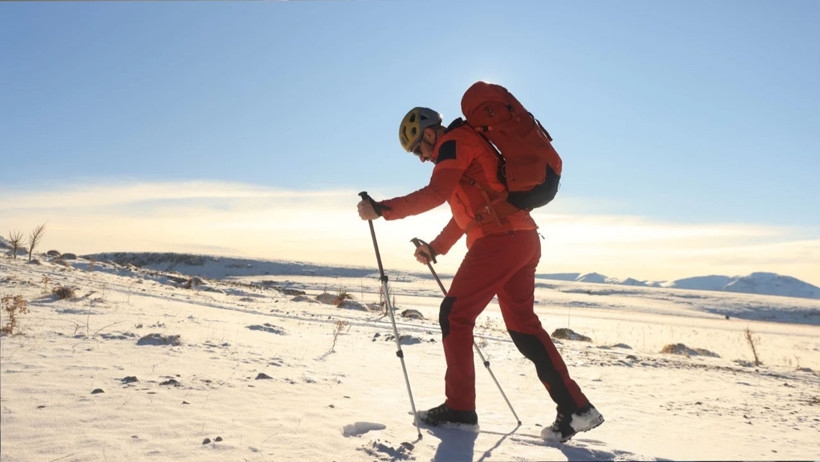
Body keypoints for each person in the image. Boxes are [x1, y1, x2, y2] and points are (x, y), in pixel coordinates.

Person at [357, 106, 603, 442]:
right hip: (521, 239)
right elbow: (467, 215)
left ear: (430, 133)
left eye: (418, 148)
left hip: (499, 242)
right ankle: (577, 408)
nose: (421, 157)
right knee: (524, 329)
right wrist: (436, 248)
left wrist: (382, 210)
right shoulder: (463, 147)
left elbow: (435, 194)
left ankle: (460, 409)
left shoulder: (454, 143)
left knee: (454, 315)